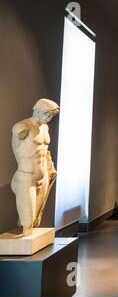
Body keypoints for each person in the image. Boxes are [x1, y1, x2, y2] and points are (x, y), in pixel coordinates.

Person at [11, 99, 60, 236]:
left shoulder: (45, 128)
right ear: (37, 110)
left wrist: (50, 168)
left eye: (51, 116)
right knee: (27, 220)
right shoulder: (22, 127)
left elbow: (44, 152)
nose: (49, 118)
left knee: (35, 218)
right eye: (46, 114)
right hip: (26, 175)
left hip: (42, 175)